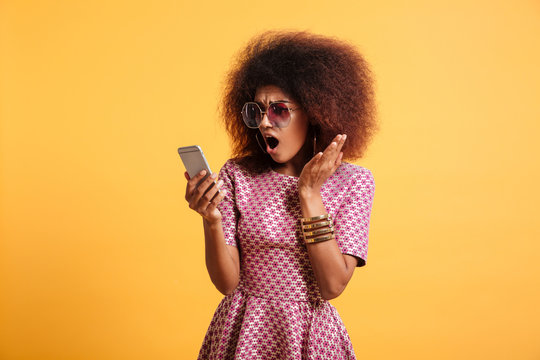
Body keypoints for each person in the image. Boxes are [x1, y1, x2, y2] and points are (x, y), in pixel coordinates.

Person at [184, 30, 378, 360]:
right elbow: (227, 283)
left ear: (316, 112)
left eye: (278, 110)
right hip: (243, 330)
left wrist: (309, 194)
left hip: (309, 336)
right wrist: (212, 220)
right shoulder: (238, 175)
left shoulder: (354, 182)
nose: (264, 123)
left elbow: (332, 286)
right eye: (256, 111)